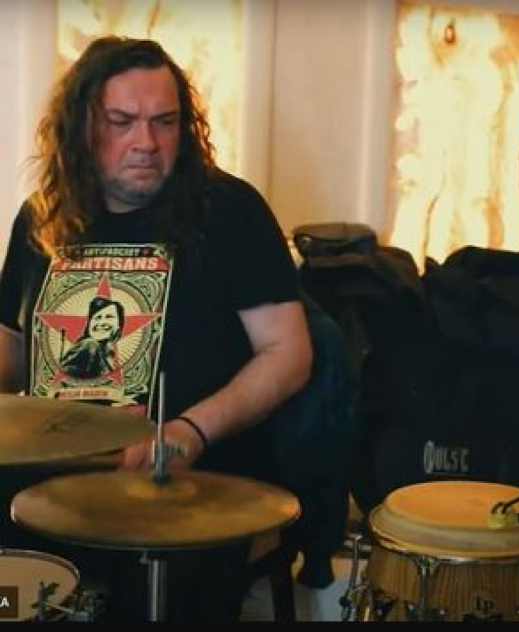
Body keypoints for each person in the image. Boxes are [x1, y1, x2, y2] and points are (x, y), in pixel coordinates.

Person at [0, 36, 313, 623]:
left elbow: (288, 352)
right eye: (122, 122)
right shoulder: (43, 216)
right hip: (55, 475)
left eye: (164, 122)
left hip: (189, 480)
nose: (146, 142)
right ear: (81, 127)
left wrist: (189, 431)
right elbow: (13, 345)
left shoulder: (230, 211)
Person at [59, 295, 125, 379]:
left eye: (109, 317)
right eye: (97, 317)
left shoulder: (110, 355)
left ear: (119, 324)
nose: (102, 323)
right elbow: (65, 377)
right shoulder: (90, 345)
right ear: (89, 325)